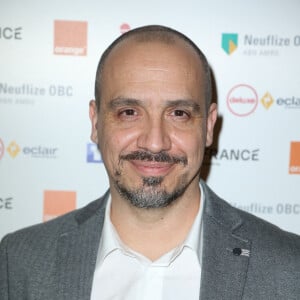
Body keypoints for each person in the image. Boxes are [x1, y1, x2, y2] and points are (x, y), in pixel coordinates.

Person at [0, 25, 299, 300]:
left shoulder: (288, 269)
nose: (155, 142)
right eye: (129, 112)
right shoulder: (22, 261)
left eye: (179, 113)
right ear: (95, 122)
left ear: (208, 126)